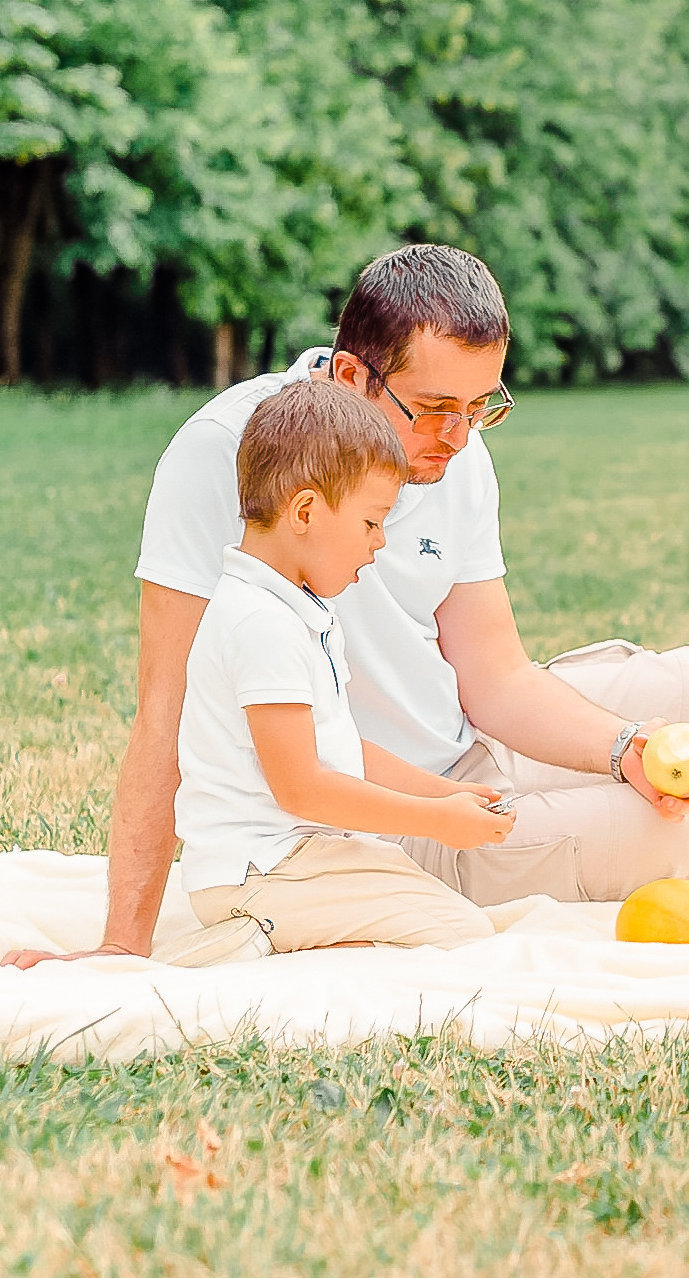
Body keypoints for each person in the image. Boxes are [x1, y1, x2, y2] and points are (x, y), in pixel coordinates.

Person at [12, 245, 689, 968]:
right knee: (676, 833)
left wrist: (623, 748)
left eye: (481, 407)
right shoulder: (224, 454)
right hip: (378, 812)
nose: (456, 438)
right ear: (348, 378)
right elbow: (164, 709)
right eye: (433, 408)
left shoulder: (456, 453)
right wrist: (122, 949)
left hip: (469, 746)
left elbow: (496, 675)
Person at [167, 382, 513, 965]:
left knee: (440, 911)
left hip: (296, 858)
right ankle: (250, 938)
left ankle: (299, 940)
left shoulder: (297, 608)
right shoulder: (260, 623)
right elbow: (300, 787)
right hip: (262, 871)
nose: (379, 544)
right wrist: (436, 821)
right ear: (305, 512)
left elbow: (342, 750)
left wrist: (447, 793)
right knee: (462, 937)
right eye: (372, 522)